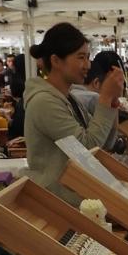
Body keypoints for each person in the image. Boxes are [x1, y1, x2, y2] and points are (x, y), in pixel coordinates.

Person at [21, 22, 121, 203]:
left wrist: (112, 102)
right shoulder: (44, 102)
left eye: (88, 57)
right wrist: (105, 99)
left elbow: (104, 143)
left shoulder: (69, 97)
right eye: (80, 57)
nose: (87, 65)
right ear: (56, 60)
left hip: (76, 196)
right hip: (56, 201)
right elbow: (86, 148)